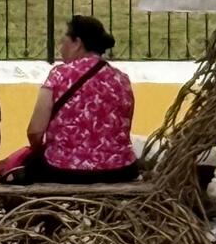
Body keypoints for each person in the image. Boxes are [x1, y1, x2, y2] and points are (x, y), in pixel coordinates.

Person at [21, 15, 139, 185]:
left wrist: (40, 150)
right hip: (120, 170)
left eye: (63, 42)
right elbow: (124, 128)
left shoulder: (59, 75)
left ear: (77, 43)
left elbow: (35, 131)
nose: (60, 49)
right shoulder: (122, 80)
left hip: (64, 170)